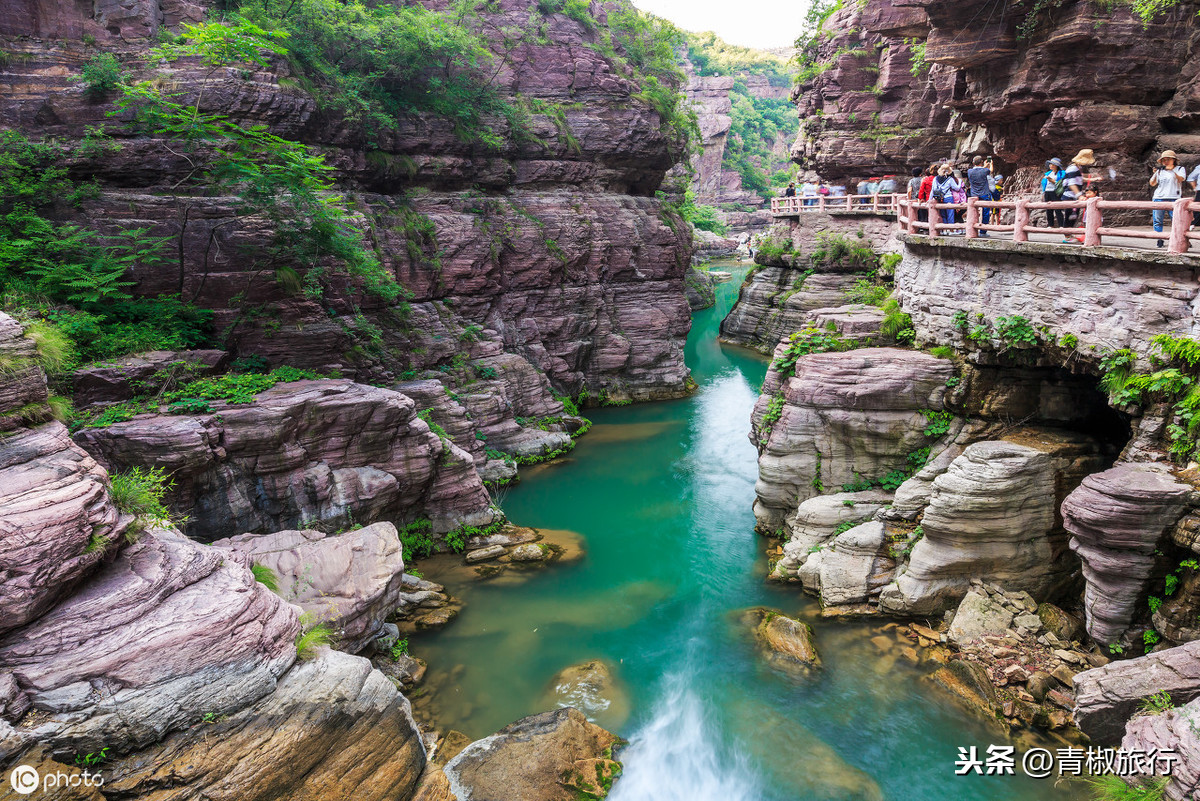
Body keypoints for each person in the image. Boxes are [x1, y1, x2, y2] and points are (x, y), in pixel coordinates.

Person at [1150, 149, 1187, 247]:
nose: (1166, 162)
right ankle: (1159, 238)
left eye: (1168, 159)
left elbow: (1181, 179)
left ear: (1173, 160)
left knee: (1176, 220)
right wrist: (1155, 173)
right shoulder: (1160, 171)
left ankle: (1180, 238)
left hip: (1174, 197)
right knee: (1158, 220)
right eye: (1164, 160)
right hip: (1159, 197)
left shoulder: (1180, 169)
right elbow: (1152, 183)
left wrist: (1172, 171)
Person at [1061, 149, 1093, 239]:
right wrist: (1079, 196)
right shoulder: (1073, 168)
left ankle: (1069, 235)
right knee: (1069, 216)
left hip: (1074, 197)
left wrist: (1094, 178)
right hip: (1070, 196)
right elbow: (1072, 184)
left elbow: (1080, 179)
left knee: (1073, 216)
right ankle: (1067, 236)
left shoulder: (1078, 168)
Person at [966, 155, 993, 236]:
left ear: (973, 163)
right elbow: (990, 171)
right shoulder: (984, 171)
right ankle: (983, 232)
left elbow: (980, 170)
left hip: (974, 194)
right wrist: (991, 164)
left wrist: (983, 165)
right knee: (986, 212)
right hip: (984, 193)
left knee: (973, 212)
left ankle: (973, 230)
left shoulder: (969, 171)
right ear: (981, 162)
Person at [931, 164, 960, 231]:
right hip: (948, 197)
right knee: (950, 214)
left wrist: (930, 199)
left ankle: (944, 230)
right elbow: (957, 188)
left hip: (939, 198)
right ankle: (951, 230)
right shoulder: (950, 179)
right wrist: (960, 182)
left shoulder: (935, 179)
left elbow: (933, 190)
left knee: (943, 214)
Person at [1041, 158, 1066, 229]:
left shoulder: (1061, 173)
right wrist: (1043, 192)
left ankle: (1061, 225)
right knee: (1048, 209)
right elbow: (1044, 184)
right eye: (1050, 164)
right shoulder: (1048, 173)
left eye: (1052, 164)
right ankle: (1050, 224)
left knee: (1057, 208)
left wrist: (1052, 180)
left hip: (1055, 192)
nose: (1050, 165)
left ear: (1056, 166)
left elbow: (1061, 183)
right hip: (1047, 192)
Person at [1187, 161, 1200, 230]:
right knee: (1197, 208)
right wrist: (1195, 188)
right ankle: (1193, 224)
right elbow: (1190, 178)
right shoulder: (1199, 168)